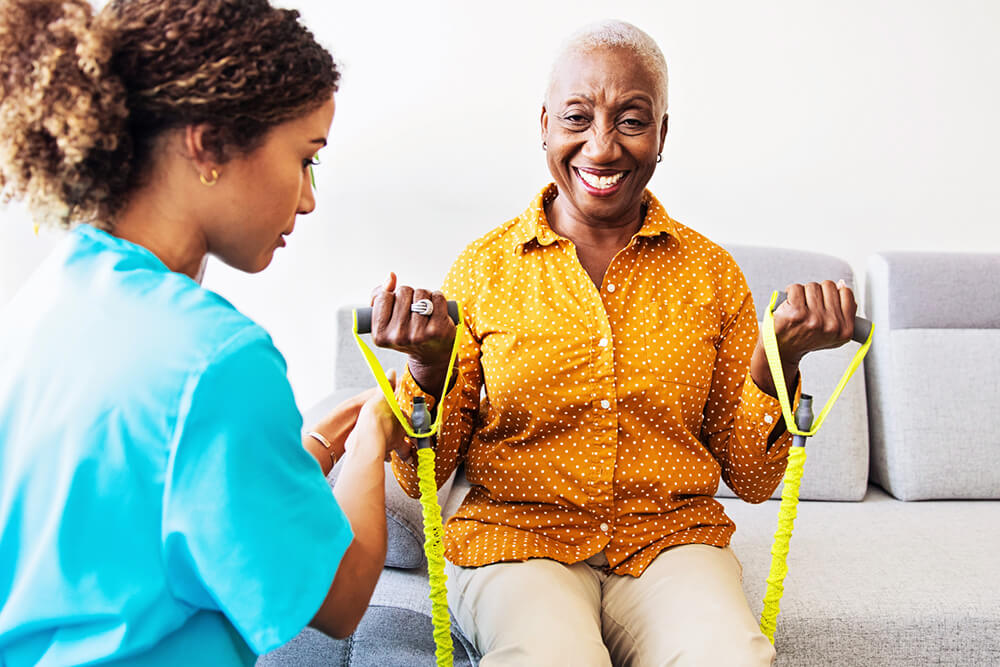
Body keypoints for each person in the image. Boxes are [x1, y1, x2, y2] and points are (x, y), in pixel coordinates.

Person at [368, 19, 859, 666]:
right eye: (577, 117)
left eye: (631, 120)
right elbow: (420, 473)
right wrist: (427, 369)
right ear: (543, 124)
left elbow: (752, 476)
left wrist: (781, 360)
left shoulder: (711, 274)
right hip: (517, 539)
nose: (601, 148)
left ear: (661, 134)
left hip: (668, 542)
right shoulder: (484, 269)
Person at [0, 1, 408, 665]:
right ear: (209, 142)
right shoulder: (219, 358)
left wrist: (309, 443)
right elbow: (340, 597)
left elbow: (167, 516)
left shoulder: (43, 300)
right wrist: (371, 439)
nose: (307, 198)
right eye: (307, 158)